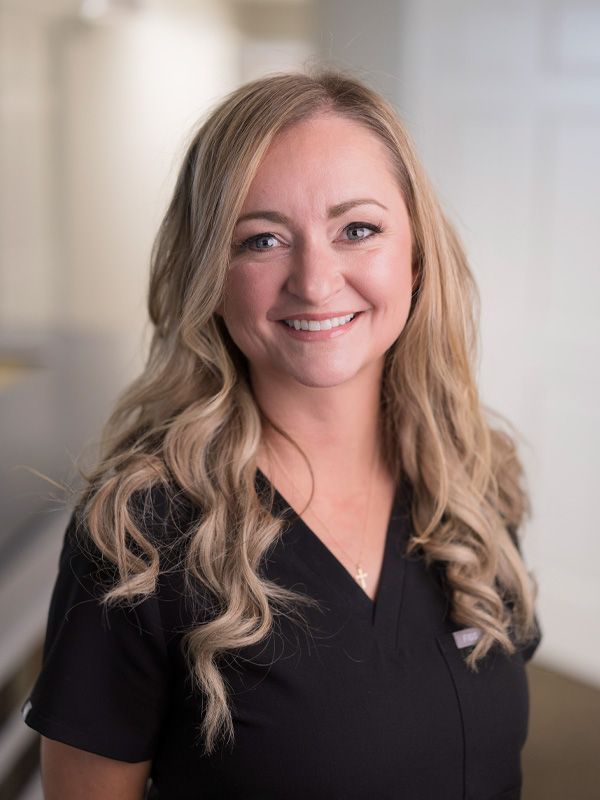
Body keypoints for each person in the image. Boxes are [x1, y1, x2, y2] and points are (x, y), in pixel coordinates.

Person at [22, 69, 542, 799]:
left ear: (417, 256)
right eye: (262, 239)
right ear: (210, 275)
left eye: (357, 230)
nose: (315, 281)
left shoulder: (475, 478)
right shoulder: (138, 536)